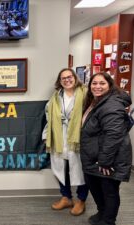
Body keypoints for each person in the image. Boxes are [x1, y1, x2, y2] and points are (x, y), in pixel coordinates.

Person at [81, 72, 132, 225]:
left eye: (102, 83)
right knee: (96, 189)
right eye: (94, 83)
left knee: (109, 191)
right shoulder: (97, 101)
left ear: (110, 85)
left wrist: (104, 161)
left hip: (108, 159)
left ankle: (108, 220)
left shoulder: (112, 104)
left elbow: (113, 135)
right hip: (94, 157)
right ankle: (102, 213)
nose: (97, 86)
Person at [42, 68, 88, 216]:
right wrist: (46, 136)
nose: (67, 80)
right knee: (61, 169)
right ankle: (66, 197)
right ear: (59, 81)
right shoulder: (55, 97)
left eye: (69, 77)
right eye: (63, 78)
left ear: (75, 78)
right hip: (59, 138)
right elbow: (49, 118)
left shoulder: (86, 94)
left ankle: (81, 200)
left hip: (79, 138)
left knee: (81, 169)